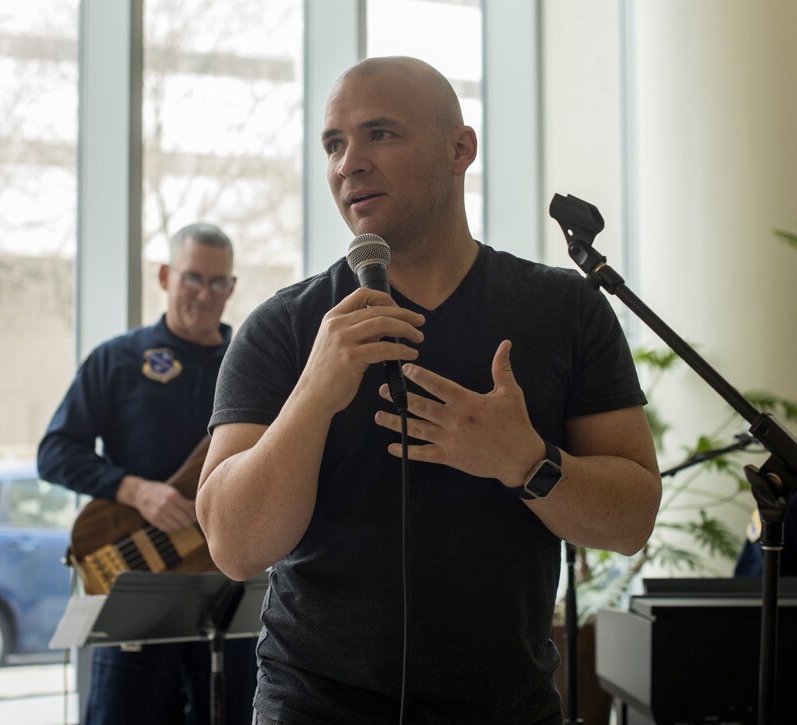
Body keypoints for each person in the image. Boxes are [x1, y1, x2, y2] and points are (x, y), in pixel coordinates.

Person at [196, 56, 663, 724]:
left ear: (460, 148)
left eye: (379, 134)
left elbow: (632, 518)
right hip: (314, 704)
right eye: (334, 143)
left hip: (508, 705)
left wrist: (525, 461)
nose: (348, 163)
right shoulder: (288, 325)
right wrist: (315, 393)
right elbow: (234, 546)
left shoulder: (565, 310)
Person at [38, 223, 256, 724]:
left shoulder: (253, 362)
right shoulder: (117, 360)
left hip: (226, 591)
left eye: (218, 282)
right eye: (192, 278)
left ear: (232, 287)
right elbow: (55, 451)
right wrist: (136, 491)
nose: (205, 294)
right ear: (165, 276)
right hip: (136, 583)